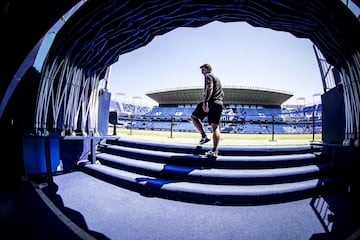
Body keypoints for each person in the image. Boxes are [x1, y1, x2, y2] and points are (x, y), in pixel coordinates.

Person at [190, 63, 224, 158]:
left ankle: (204, 136)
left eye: (203, 69)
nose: (202, 71)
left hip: (211, 102)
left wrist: (205, 102)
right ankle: (214, 150)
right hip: (219, 103)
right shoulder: (218, 79)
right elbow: (222, 94)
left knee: (193, 117)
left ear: (208, 69)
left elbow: (210, 87)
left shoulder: (208, 76)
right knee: (215, 128)